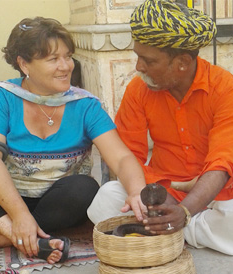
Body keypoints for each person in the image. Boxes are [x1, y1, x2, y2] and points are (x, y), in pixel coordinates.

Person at [0, 17, 147, 263]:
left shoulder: (85, 105)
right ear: (24, 64)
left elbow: (120, 157)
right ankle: (21, 234)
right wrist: (20, 215)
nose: (65, 66)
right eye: (53, 59)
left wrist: (137, 191)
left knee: (84, 188)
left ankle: (1, 236)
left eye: (68, 56)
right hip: (2, 197)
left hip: (56, 204)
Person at [88, 0, 233, 255]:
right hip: (158, 193)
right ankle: (177, 228)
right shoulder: (138, 89)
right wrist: (147, 193)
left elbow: (222, 162)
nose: (138, 67)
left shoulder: (224, 88)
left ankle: (169, 227)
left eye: (148, 60)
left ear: (182, 63)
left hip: (213, 195)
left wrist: (184, 211)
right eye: (138, 57)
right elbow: (128, 155)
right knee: (105, 198)